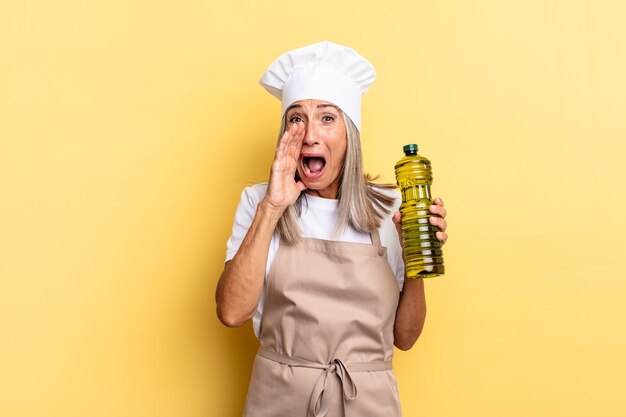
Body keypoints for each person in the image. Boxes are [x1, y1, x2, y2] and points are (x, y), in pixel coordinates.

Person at [216, 41, 448, 417]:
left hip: (368, 405)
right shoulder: (259, 202)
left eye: (327, 118)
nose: (309, 135)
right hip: (279, 402)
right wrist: (272, 208)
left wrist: (416, 259)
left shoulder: (391, 208)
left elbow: (405, 338)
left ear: (349, 134)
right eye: (296, 118)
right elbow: (231, 312)